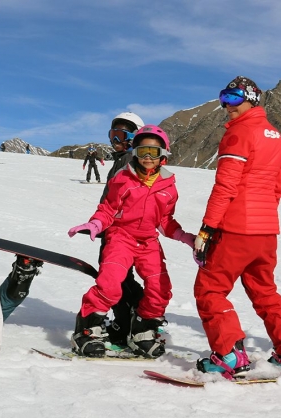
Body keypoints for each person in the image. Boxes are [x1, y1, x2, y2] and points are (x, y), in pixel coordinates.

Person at [193, 76, 281, 380]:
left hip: (235, 228)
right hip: (265, 231)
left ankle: (229, 355)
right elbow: (276, 190)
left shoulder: (239, 134)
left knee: (210, 289)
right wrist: (263, 221)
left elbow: (225, 187)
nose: (226, 106)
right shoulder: (277, 137)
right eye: (223, 99)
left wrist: (207, 229)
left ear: (251, 100)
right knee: (264, 291)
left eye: (233, 99)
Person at [67, 125, 195, 358]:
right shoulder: (122, 179)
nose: (147, 157)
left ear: (163, 155)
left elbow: (165, 220)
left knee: (161, 290)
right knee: (110, 284)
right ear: (134, 151)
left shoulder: (169, 186)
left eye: (153, 152)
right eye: (143, 150)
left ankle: (142, 332)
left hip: (148, 242)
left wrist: (185, 238)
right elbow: (107, 209)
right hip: (121, 237)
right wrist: (95, 224)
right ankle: (86, 330)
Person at [98, 112, 145, 346]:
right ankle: (139, 319)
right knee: (123, 279)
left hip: (118, 231)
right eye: (112, 134)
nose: (114, 140)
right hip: (114, 228)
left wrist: (107, 223)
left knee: (113, 278)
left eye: (120, 135)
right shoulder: (122, 158)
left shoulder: (129, 160)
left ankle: (125, 324)